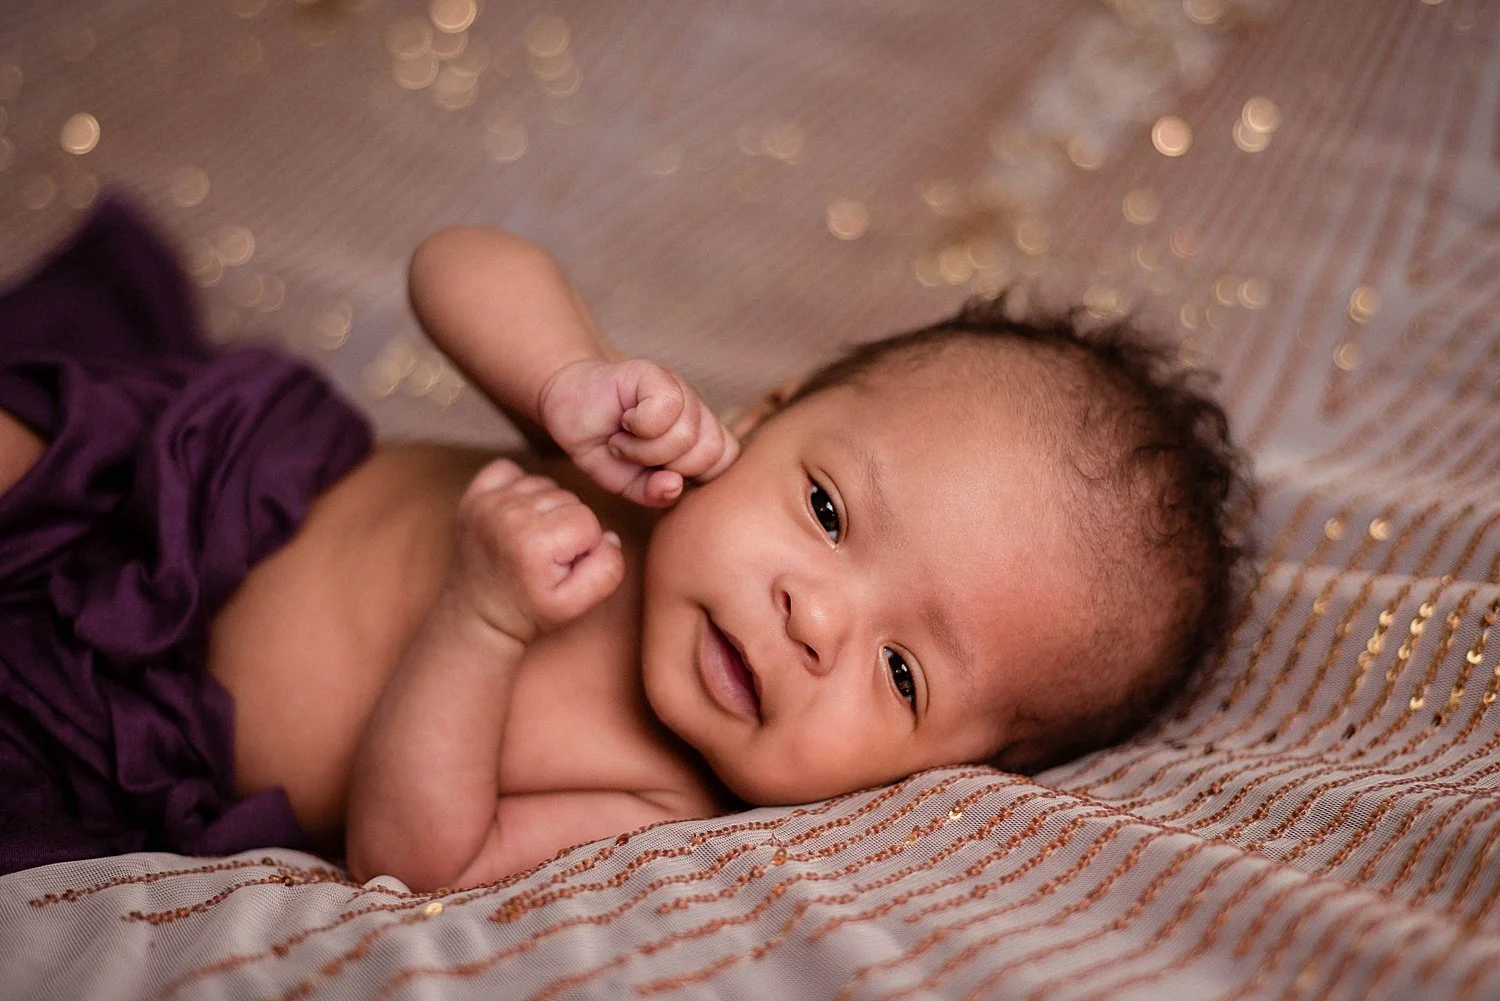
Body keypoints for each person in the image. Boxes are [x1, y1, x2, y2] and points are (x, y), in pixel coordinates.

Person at [0, 201, 1250, 890]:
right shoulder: (646, 466)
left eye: (905, 673)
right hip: (179, 485)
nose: (820, 619)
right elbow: (455, 260)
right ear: (765, 416)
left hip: (113, 721)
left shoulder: (661, 800)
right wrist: (565, 378)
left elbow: (413, 853)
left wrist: (480, 621)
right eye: (827, 511)